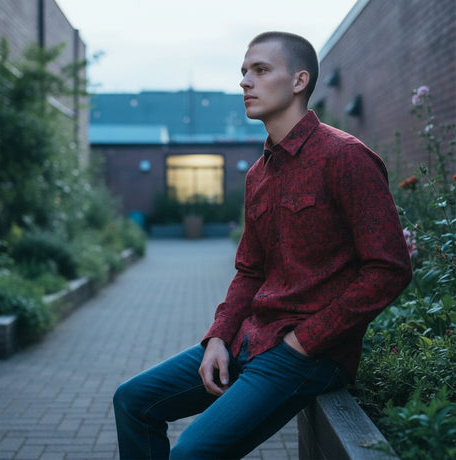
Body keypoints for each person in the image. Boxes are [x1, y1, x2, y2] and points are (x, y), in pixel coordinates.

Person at [113, 31, 413, 459]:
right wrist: (217, 338)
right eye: (243, 72)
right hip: (249, 340)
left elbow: (389, 268)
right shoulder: (259, 174)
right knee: (132, 401)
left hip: (307, 354)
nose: (245, 82)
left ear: (299, 81)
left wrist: (306, 339)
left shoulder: (346, 157)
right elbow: (250, 270)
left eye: (260, 70)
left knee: (190, 452)